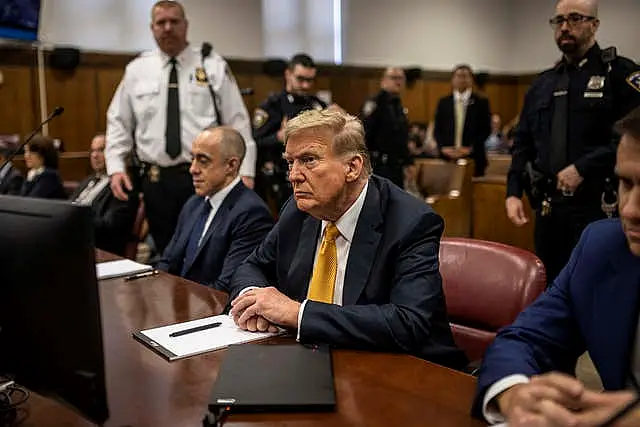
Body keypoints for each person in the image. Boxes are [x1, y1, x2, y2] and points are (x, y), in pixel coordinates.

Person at [228, 109, 468, 369]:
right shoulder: (298, 212)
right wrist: (253, 302)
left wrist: (297, 314)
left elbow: (408, 322)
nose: (293, 175)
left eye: (308, 160)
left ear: (352, 167)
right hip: (313, 361)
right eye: (290, 162)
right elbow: (251, 266)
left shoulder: (411, 222)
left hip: (405, 372)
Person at [473, 106, 640, 427]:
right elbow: (524, 340)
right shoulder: (601, 247)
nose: (630, 210)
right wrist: (513, 393)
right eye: (626, 184)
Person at [105, 0, 257, 256]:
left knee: (206, 251)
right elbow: (119, 122)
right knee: (168, 251)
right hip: (156, 181)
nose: (167, 28)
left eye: (174, 22)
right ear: (151, 28)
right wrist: (116, 167)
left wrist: (246, 170)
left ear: (186, 26)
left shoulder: (211, 65)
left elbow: (237, 121)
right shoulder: (137, 69)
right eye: (160, 23)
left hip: (204, 176)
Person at [505, 0, 640, 283]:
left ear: (594, 25)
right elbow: (523, 141)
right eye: (559, 21)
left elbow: (631, 142)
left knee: (597, 285)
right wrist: (513, 191)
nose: (565, 27)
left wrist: (584, 167)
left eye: (575, 19)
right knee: (551, 284)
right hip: (549, 209)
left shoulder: (619, 75)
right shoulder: (543, 84)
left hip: (598, 207)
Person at [157, 127, 273, 291]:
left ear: (231, 165)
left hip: (209, 309)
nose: (193, 169)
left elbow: (226, 287)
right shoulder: (194, 203)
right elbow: (167, 261)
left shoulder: (251, 213)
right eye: (193, 159)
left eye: (203, 161)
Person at [252, 53, 328, 212]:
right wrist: (278, 137)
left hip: (315, 178)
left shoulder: (318, 105)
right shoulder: (272, 106)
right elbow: (255, 142)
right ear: (288, 74)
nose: (306, 85)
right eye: (300, 79)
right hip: (280, 179)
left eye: (310, 80)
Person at [70, 134, 139, 257]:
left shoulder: (123, 185)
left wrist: (77, 219)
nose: (95, 155)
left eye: (101, 150)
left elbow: (111, 226)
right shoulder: (88, 180)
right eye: (93, 150)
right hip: (74, 240)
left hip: (99, 250)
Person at [433, 64, 491, 177]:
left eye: (465, 76)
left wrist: (470, 149)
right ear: (453, 79)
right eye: (458, 76)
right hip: (447, 158)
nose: (462, 79)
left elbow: (485, 130)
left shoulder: (481, 102)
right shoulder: (444, 102)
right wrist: (443, 148)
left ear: (471, 80)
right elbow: (437, 129)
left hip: (473, 158)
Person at [361, 67, 412, 188]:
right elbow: (365, 133)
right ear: (383, 81)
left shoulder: (398, 105)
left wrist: (408, 162)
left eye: (401, 78)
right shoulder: (374, 103)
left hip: (396, 166)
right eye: (394, 78)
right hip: (379, 165)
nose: (398, 82)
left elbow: (401, 137)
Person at [20, 135, 66, 199]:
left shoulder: (50, 175)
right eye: (26, 151)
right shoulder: (33, 173)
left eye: (32, 152)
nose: (27, 156)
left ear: (43, 154)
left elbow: (32, 201)